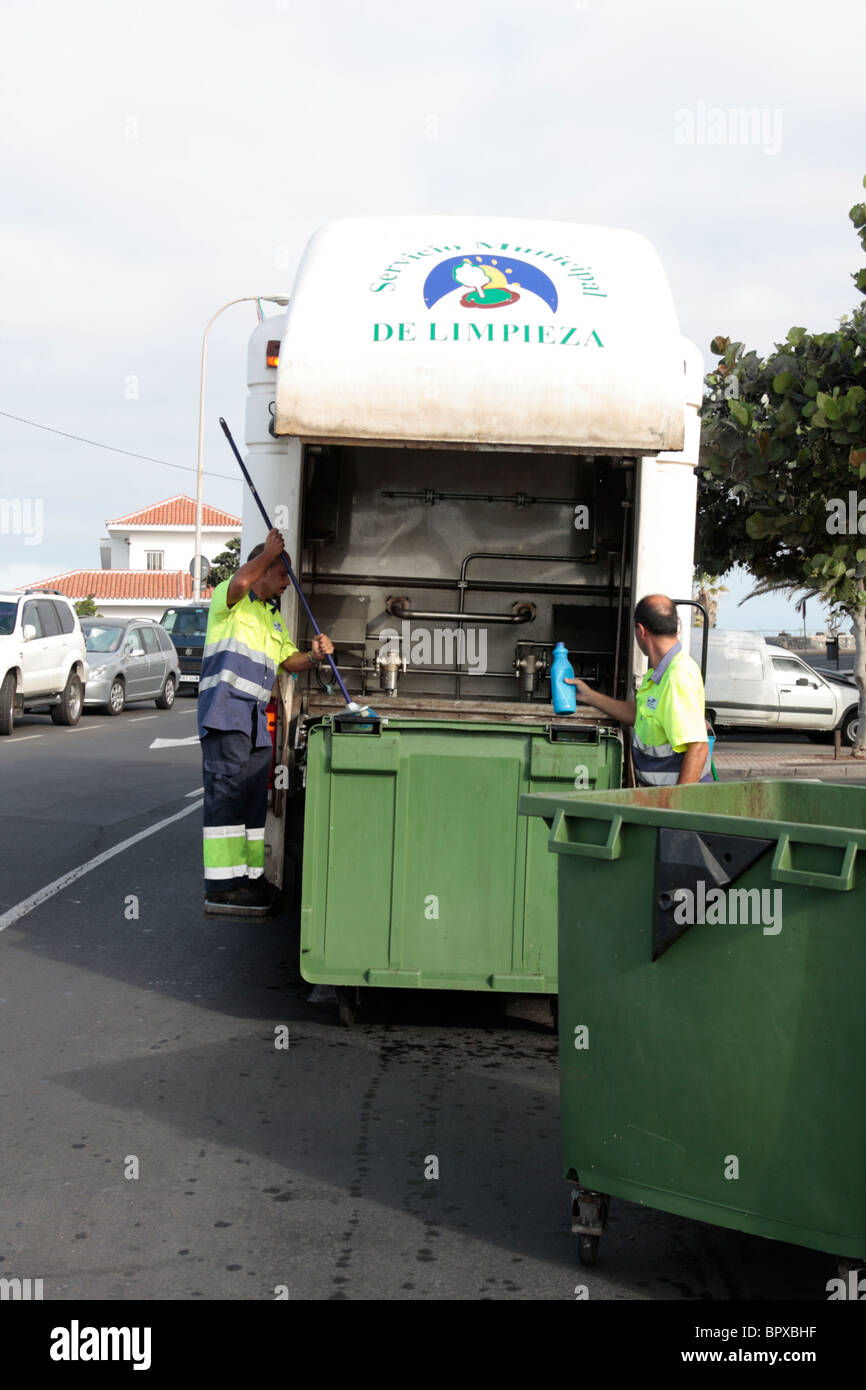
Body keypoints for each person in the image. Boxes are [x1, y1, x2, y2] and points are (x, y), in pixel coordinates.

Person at [198, 528, 334, 915]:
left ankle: (250, 878)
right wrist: (267, 554)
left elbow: (289, 662)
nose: (286, 586)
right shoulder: (231, 601)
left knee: (253, 801)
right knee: (226, 797)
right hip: (225, 712)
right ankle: (222, 887)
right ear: (264, 568)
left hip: (255, 719)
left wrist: (315, 656)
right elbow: (242, 579)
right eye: (281, 576)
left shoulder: (272, 619)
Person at [566, 593, 711, 786]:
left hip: (677, 805)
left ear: (641, 631)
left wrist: (677, 809)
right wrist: (589, 696)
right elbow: (639, 715)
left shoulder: (678, 676)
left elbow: (698, 746)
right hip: (658, 798)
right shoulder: (659, 674)